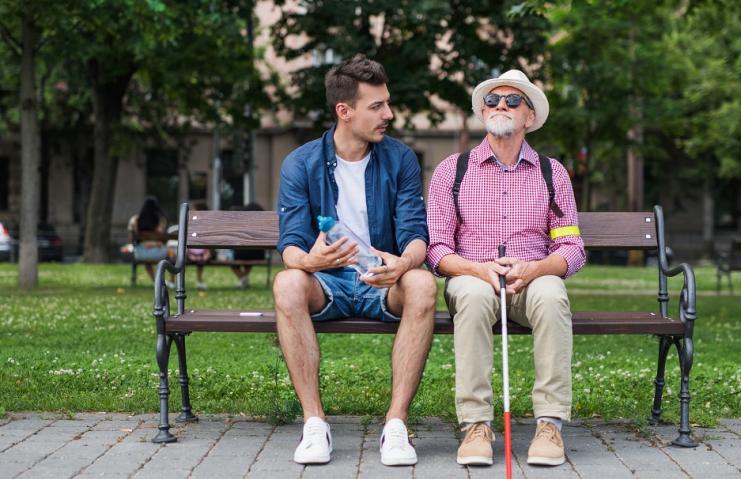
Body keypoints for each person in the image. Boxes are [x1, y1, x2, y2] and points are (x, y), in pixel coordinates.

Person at [273, 54, 435, 467]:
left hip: (383, 280)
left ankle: (396, 427)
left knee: (422, 283)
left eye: (387, 103)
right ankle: (314, 424)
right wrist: (310, 260)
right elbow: (289, 244)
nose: (389, 114)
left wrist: (401, 265)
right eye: (377, 106)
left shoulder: (399, 159)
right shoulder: (301, 163)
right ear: (344, 111)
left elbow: (416, 235)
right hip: (327, 281)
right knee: (287, 282)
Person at [426, 69, 585, 467]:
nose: (501, 106)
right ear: (482, 111)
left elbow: (571, 246)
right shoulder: (452, 170)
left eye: (513, 100)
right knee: (476, 295)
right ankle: (476, 425)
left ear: (529, 116)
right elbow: (437, 249)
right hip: (472, 279)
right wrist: (478, 270)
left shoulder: (553, 174)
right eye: (493, 100)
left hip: (530, 282)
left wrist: (534, 269)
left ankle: (549, 424)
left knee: (552, 292)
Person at [128, 196, 175, 288]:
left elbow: (131, 238)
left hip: (142, 253)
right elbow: (163, 238)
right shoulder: (160, 220)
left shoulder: (136, 220)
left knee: (147, 262)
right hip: (159, 252)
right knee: (172, 257)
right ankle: (172, 282)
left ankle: (155, 281)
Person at [229, 202, 267, 289]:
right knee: (248, 259)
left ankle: (243, 279)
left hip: (241, 254)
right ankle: (244, 279)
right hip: (259, 255)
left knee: (235, 261)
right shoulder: (261, 224)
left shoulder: (242, 224)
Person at [186, 202, 212, 290]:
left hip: (203, 250)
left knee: (201, 260)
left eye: (194, 210)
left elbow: (208, 241)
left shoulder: (206, 224)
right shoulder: (192, 222)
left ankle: (199, 281)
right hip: (193, 250)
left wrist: (207, 251)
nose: (192, 211)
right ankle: (199, 281)